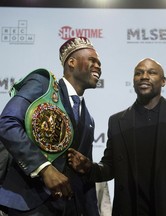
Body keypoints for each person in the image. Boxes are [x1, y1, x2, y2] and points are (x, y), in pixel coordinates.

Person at [67, 57, 166, 216]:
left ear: (163, 81)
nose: (144, 77)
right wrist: (90, 168)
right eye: (138, 73)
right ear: (133, 80)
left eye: (151, 72)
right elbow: (110, 167)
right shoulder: (117, 121)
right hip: (132, 209)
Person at [0, 37, 109, 215]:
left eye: (100, 63)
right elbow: (7, 123)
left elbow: (85, 178)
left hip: (68, 209)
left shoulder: (89, 119)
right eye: (92, 60)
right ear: (71, 63)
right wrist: (43, 168)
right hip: (29, 203)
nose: (98, 66)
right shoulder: (43, 85)